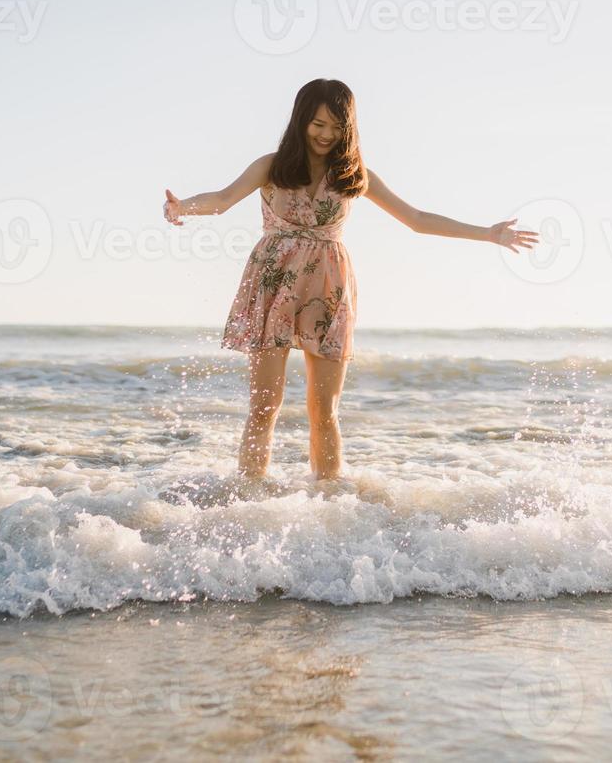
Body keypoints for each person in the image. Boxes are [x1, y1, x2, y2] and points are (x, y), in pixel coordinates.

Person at [162, 79, 538, 482]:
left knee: (324, 410)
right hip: (272, 283)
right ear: (302, 119)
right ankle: (250, 497)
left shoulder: (355, 174)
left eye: (336, 127)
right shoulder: (271, 166)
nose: (326, 134)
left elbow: (417, 220)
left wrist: (487, 233)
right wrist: (183, 207)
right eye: (318, 124)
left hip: (328, 288)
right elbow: (221, 200)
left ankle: (330, 504)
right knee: (265, 404)